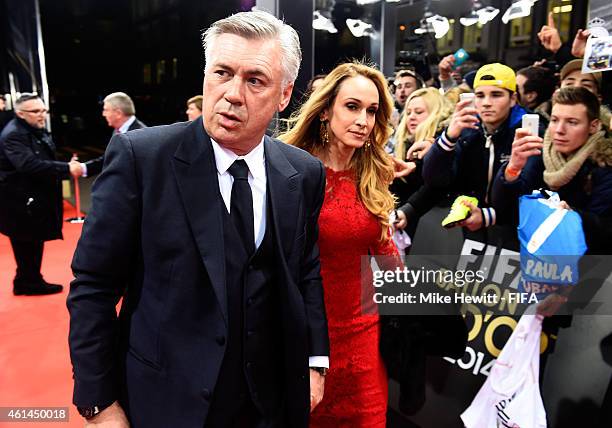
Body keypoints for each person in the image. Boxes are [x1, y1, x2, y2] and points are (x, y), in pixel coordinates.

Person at [67, 11, 329, 428]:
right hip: (169, 401)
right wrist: (99, 403)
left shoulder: (302, 172)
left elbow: (305, 271)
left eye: (254, 80)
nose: (232, 94)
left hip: (272, 402)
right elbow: (93, 286)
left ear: (284, 95)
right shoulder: (142, 158)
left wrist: (315, 362)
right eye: (222, 73)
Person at [280, 61, 399, 427]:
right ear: (326, 110)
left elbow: (388, 262)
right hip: (302, 337)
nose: (363, 119)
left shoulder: (374, 171)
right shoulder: (289, 169)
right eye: (352, 107)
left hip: (363, 334)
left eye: (372, 110)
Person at [423, 63, 543, 248]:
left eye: (496, 95)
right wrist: (448, 137)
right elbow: (435, 180)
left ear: (513, 99)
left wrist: (488, 216)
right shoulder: (468, 129)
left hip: (519, 232)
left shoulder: (528, 132)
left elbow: (530, 192)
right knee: (476, 276)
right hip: (473, 225)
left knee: (505, 276)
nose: (486, 102)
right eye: (480, 95)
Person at [0, 93, 82, 295]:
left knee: (32, 240)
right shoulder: (14, 134)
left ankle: (28, 280)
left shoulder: (30, 129)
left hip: (27, 198)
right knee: (27, 242)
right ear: (20, 113)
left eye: (43, 110)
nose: (42, 114)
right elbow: (28, 164)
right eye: (35, 111)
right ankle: (29, 282)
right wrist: (67, 168)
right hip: (19, 200)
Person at [390, 87, 452, 241]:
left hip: (437, 233)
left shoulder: (444, 147)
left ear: (435, 114)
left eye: (418, 112)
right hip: (407, 227)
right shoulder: (403, 145)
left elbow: (434, 188)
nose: (411, 117)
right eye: (409, 112)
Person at [80, 92, 147, 177]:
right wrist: (83, 168)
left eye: (106, 110)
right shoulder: (118, 130)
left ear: (118, 113)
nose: (103, 114)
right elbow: (110, 159)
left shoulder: (141, 134)